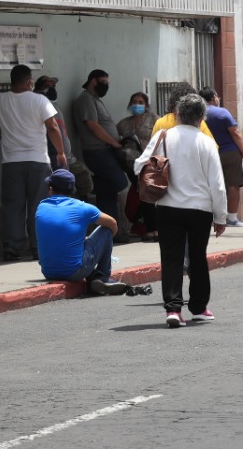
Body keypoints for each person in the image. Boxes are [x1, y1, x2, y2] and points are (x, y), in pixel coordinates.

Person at [135, 93, 227, 328]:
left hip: (167, 207)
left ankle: (173, 310)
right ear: (201, 117)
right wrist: (221, 216)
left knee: (171, 258)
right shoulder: (206, 142)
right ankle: (198, 307)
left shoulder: (163, 136)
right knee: (197, 258)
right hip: (200, 209)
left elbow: (138, 165)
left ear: (177, 114)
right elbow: (217, 184)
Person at [0, 65, 67, 261]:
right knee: (39, 206)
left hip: (11, 163)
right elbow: (53, 126)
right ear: (29, 81)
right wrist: (61, 152)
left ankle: (11, 248)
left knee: (13, 206)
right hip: (38, 161)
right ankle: (38, 248)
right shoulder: (40, 100)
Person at [35, 169, 129, 295]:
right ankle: (102, 277)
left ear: (51, 189)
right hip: (74, 272)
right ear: (72, 189)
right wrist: (104, 245)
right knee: (105, 231)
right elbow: (112, 223)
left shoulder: (41, 206)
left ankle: (95, 275)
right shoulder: (82, 207)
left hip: (48, 271)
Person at [72, 69, 130, 240]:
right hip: (97, 151)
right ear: (93, 81)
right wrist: (113, 142)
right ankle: (85, 189)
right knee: (118, 182)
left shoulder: (96, 100)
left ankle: (110, 231)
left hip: (105, 150)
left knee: (109, 192)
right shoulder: (85, 100)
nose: (106, 86)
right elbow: (92, 125)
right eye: (103, 82)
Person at [35, 76, 93, 202]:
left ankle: (80, 209)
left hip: (67, 157)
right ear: (39, 89)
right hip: (54, 157)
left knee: (84, 179)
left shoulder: (56, 105)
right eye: (47, 86)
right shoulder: (38, 106)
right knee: (61, 190)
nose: (52, 89)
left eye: (53, 86)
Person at [200, 88, 243, 228]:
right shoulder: (222, 113)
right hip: (229, 152)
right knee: (233, 185)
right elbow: (235, 133)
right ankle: (232, 218)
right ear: (214, 98)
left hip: (208, 153)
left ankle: (210, 217)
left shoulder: (198, 114)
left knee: (209, 186)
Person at [116, 92, 157, 239]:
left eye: (140, 102)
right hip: (132, 166)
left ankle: (152, 229)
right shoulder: (123, 124)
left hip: (151, 163)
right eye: (134, 102)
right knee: (141, 196)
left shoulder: (155, 120)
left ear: (146, 105)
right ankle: (144, 228)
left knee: (149, 196)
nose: (137, 105)